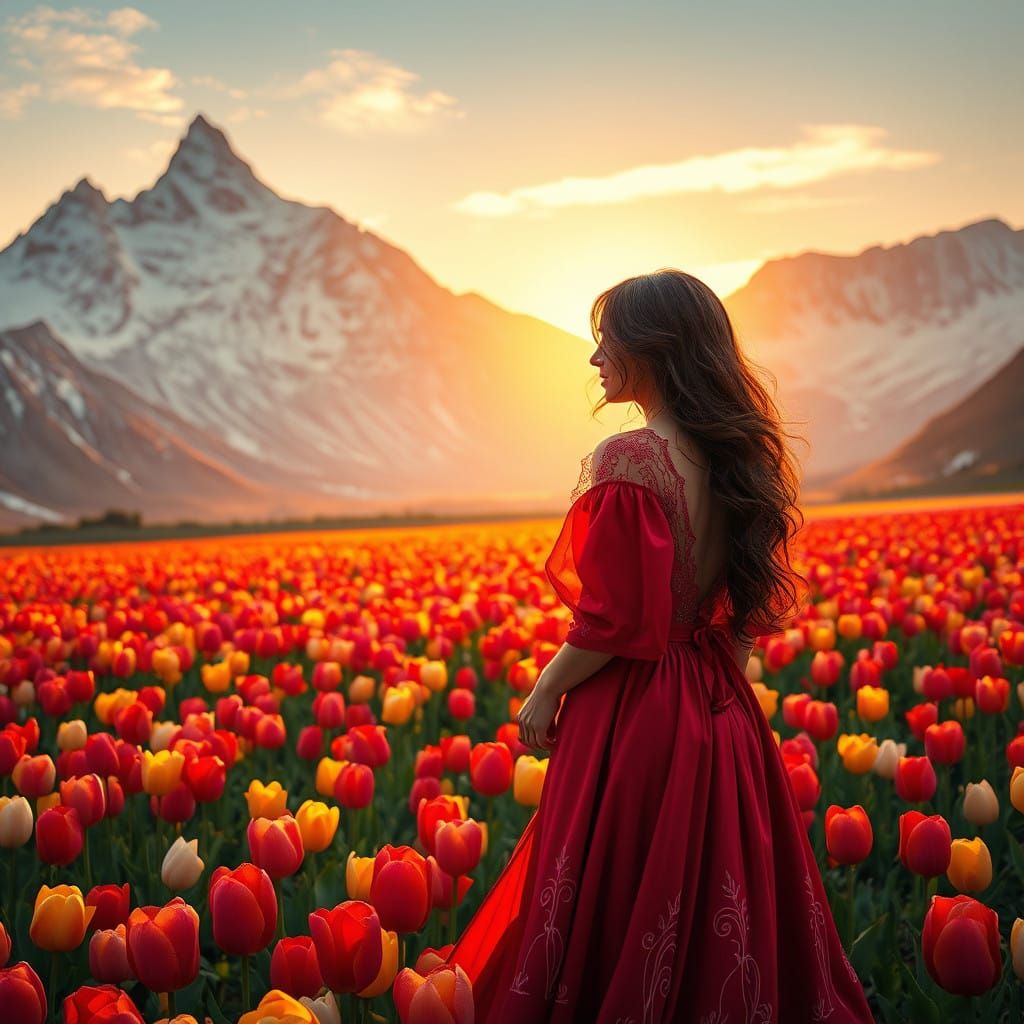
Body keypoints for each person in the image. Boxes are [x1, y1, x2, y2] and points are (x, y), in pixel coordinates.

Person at [441, 269, 876, 1022]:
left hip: (633, 711)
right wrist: (714, 707)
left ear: (655, 348)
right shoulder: (737, 459)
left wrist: (547, 686)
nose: (594, 356)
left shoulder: (632, 462)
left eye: (607, 338)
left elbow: (615, 623)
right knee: (715, 903)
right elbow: (741, 619)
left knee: (610, 901)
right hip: (718, 705)